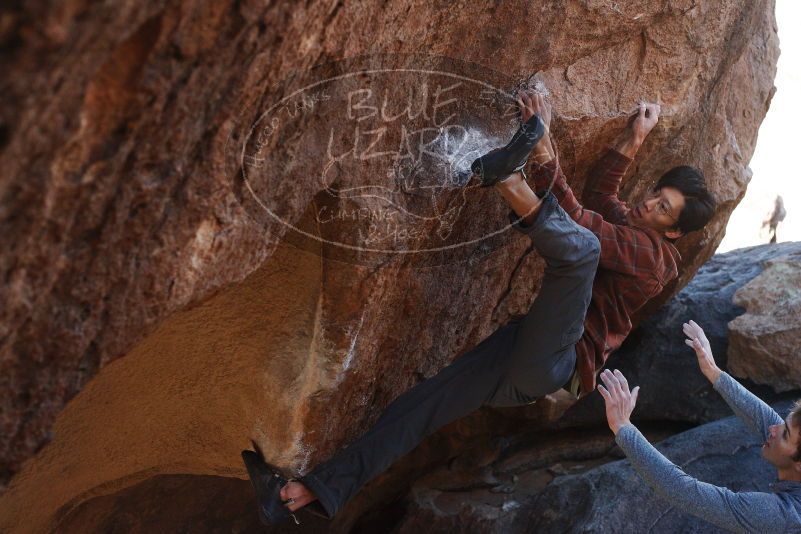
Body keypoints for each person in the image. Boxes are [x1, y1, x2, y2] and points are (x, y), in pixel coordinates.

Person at [241, 91, 717, 525]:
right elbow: (600, 199)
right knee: (418, 410)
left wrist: (544, 149)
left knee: (582, 252)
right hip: (521, 356)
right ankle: (302, 495)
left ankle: (506, 176)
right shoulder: (638, 230)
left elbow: (583, 224)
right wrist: (634, 137)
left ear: (673, 233)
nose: (649, 204)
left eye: (662, 209)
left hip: (558, 361)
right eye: (657, 194)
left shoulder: (654, 259)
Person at [598, 320, 801, 532]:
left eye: (785, 435)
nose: (773, 428)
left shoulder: (782, 516)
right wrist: (713, 371)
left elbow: (684, 491)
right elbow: (764, 418)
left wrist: (623, 428)